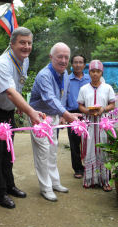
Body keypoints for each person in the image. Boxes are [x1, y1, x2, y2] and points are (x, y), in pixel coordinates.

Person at [0, 27, 43, 209]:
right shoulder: (2, 63)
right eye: (22, 42)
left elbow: (18, 86)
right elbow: (9, 91)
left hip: (7, 112)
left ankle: (9, 185)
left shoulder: (25, 60)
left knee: (8, 152)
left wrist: (19, 107)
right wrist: (30, 111)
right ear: (12, 43)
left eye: (29, 43)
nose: (26, 46)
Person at [29, 42, 79, 202]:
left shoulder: (65, 74)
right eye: (60, 57)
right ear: (51, 57)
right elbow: (50, 98)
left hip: (54, 116)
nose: (63, 60)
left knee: (52, 150)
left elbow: (62, 95)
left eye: (66, 57)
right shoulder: (44, 75)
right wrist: (66, 114)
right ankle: (46, 188)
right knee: (43, 153)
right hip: (39, 118)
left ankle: (55, 182)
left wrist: (62, 114)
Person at [77, 60, 115, 192]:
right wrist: (87, 111)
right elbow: (80, 105)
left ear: (101, 72)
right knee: (89, 149)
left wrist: (103, 109)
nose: (95, 74)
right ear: (89, 72)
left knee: (103, 149)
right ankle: (90, 180)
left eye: (98, 71)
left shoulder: (108, 88)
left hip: (103, 122)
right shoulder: (83, 89)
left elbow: (112, 104)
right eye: (92, 71)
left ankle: (105, 181)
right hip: (89, 123)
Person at [66, 54, 91, 179]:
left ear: (84, 65)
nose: (78, 65)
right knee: (74, 143)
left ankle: (90, 166)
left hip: (88, 113)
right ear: (72, 64)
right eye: (75, 62)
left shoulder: (89, 79)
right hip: (71, 114)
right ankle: (78, 168)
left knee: (89, 141)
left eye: (81, 62)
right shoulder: (66, 79)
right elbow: (62, 96)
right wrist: (64, 114)